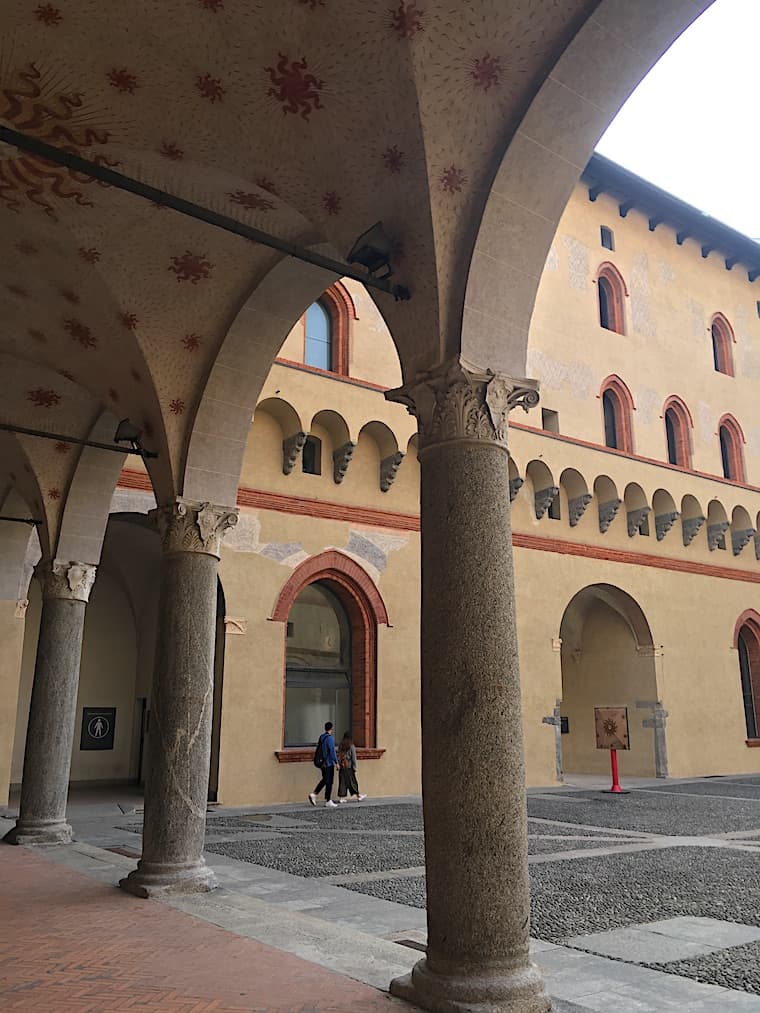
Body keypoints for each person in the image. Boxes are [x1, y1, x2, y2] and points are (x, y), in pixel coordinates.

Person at [309, 722, 339, 808]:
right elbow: (332, 751)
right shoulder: (330, 739)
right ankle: (327, 800)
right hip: (328, 763)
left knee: (325, 780)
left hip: (322, 763)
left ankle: (316, 794)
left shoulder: (322, 737)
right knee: (329, 781)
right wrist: (336, 763)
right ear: (331, 729)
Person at [337, 731, 367, 802]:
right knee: (353, 782)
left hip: (342, 766)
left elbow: (338, 756)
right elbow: (353, 758)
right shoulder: (351, 746)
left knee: (342, 782)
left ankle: (342, 798)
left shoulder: (340, 745)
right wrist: (354, 767)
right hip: (349, 767)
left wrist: (338, 764)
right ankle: (358, 795)